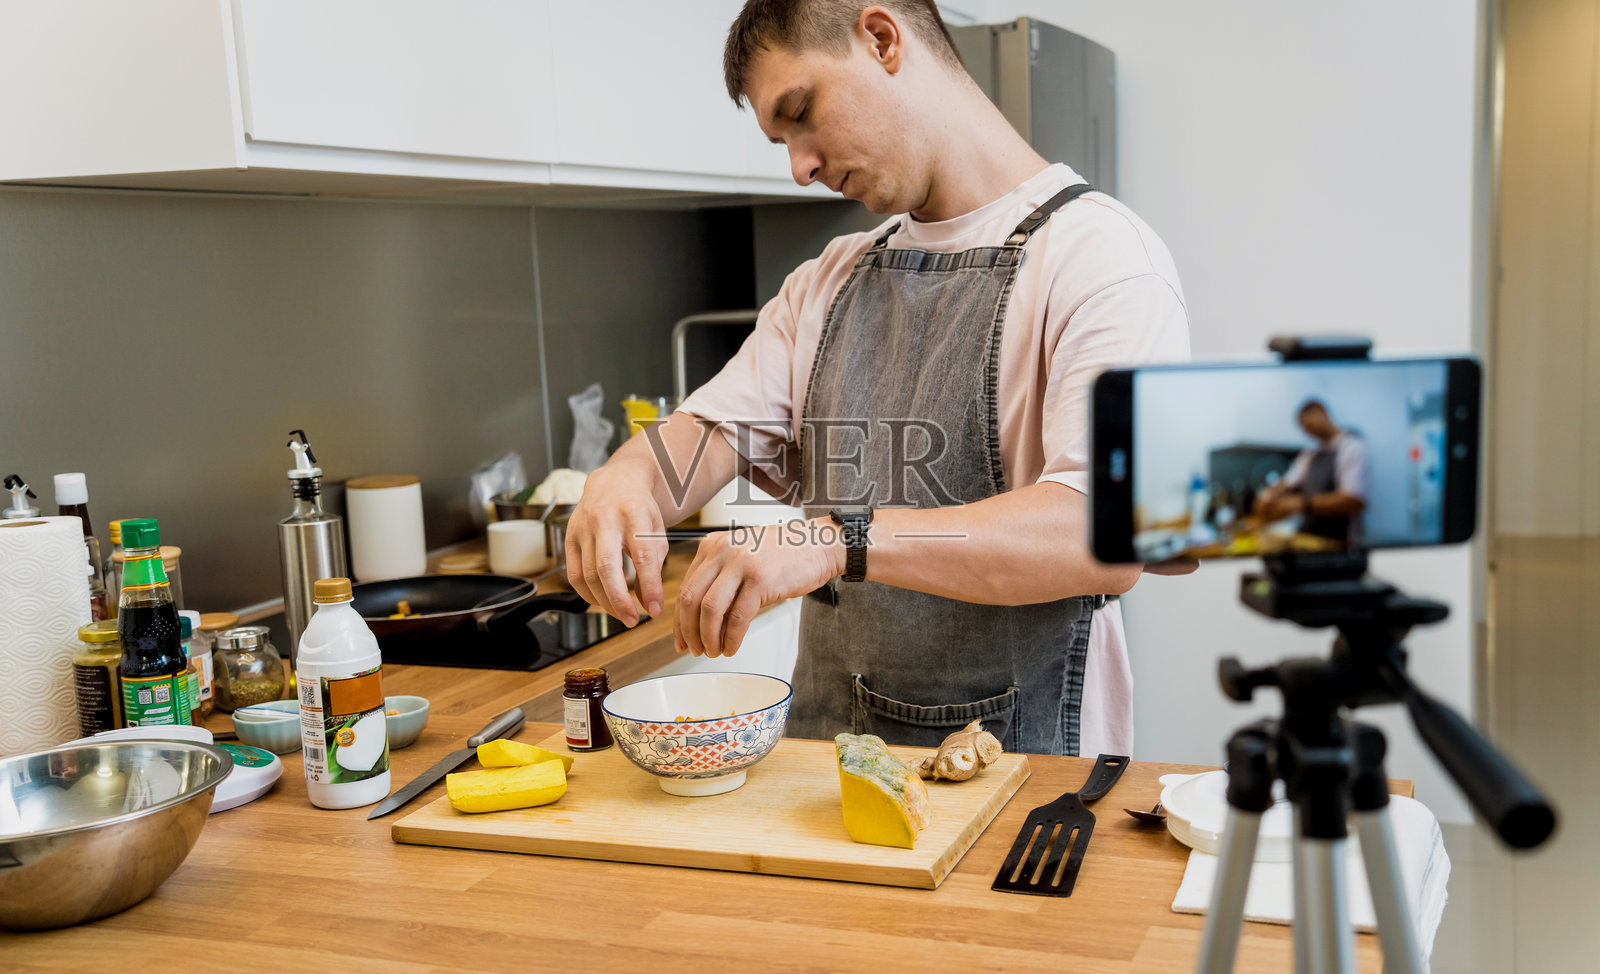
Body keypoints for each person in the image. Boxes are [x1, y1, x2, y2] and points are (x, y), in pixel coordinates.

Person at [564, 0, 1190, 757]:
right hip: (825, 775)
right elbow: (709, 432)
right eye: (781, 139)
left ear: (882, 38)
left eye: (801, 112)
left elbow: (1104, 534)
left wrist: (838, 539)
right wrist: (628, 478)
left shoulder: (1102, 259)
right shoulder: (829, 280)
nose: (799, 168)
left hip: (1024, 780)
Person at [1253, 399, 1369, 545]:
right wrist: (1268, 495)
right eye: (1303, 428)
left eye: (1308, 425)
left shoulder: (1352, 447)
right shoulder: (1310, 454)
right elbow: (1289, 480)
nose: (1307, 431)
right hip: (1313, 540)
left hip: (1342, 542)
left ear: (1321, 412)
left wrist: (1299, 503)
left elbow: (1353, 500)